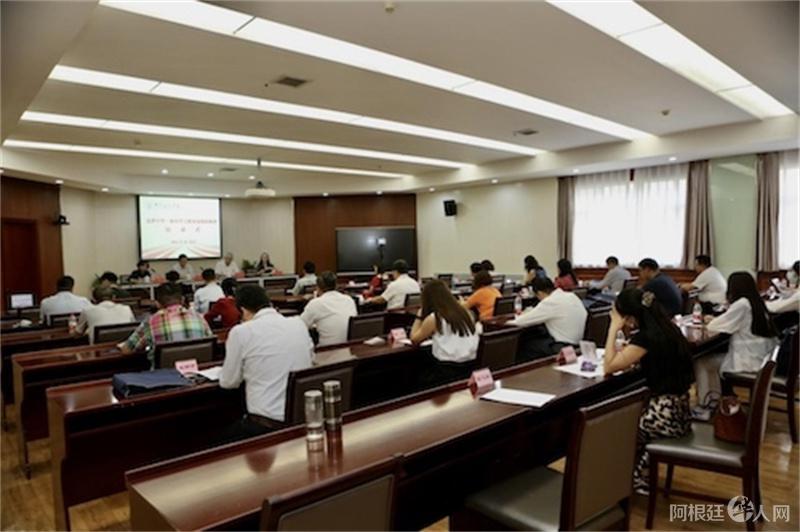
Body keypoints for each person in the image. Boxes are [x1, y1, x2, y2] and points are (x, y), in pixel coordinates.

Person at [603, 288, 694, 494]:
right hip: (680, 412)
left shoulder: (646, 338)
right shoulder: (668, 328)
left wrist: (613, 328)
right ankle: (637, 472)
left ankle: (627, 479)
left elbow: (609, 366)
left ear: (630, 317)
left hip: (663, 418)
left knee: (612, 426)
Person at [219, 285, 314, 436]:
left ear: (242, 311)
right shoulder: (298, 323)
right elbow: (311, 358)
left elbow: (229, 382)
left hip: (264, 424)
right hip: (301, 417)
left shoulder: (241, 332)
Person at [694, 272, 779, 414]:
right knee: (711, 361)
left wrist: (710, 320)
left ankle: (707, 405)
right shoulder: (755, 301)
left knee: (702, 362)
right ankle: (716, 401)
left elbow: (716, 326)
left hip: (749, 361)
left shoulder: (742, 304)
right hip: (761, 357)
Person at [411, 280, 481, 386]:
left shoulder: (435, 318)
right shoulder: (467, 313)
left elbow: (414, 339)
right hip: (470, 367)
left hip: (445, 371)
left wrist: (419, 316)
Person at [119, 283, 212, 362]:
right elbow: (210, 340)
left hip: (164, 379)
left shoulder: (151, 322)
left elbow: (126, 350)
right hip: (198, 375)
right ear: (183, 300)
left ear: (157, 304)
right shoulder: (199, 317)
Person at [510, 277, 587, 359]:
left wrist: (505, 322)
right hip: (579, 344)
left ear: (539, 293)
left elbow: (521, 322)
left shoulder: (550, 301)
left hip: (563, 347)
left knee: (527, 345)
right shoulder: (571, 296)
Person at [301, 271, 358, 347]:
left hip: (326, 351)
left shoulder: (316, 303)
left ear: (318, 288)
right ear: (336, 285)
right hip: (349, 349)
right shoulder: (349, 300)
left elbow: (300, 326)